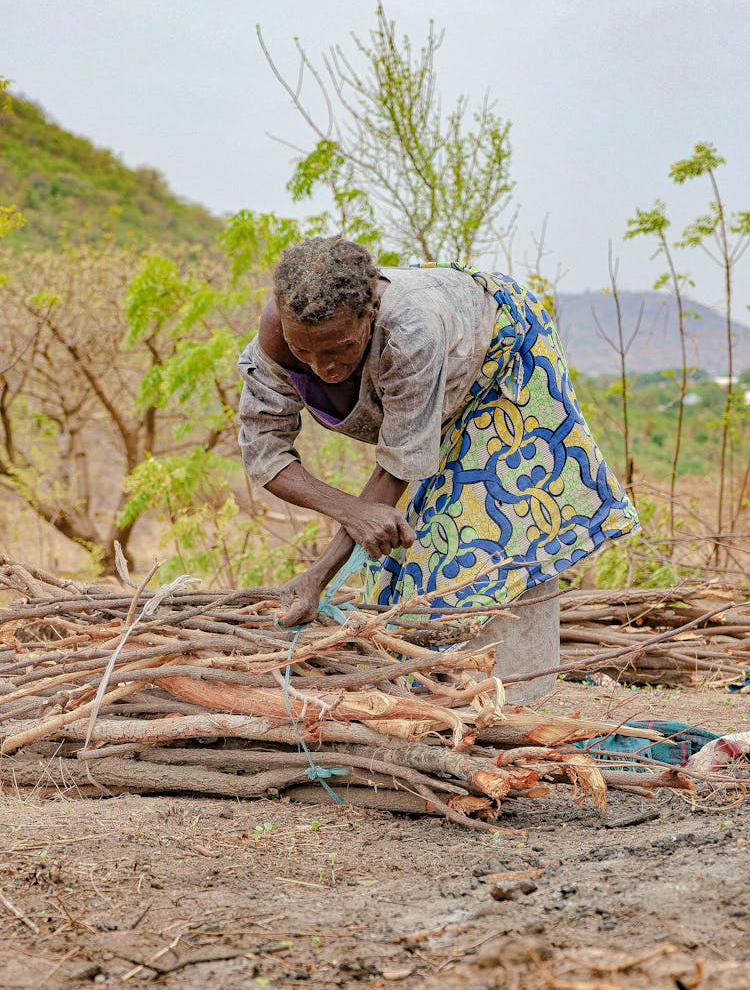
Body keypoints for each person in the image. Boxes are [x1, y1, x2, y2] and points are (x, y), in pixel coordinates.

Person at [237, 236, 640, 702]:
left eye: (340, 349)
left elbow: (399, 464)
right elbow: (265, 453)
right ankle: (427, 685)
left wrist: (320, 572)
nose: (322, 367)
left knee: (498, 522)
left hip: (503, 362)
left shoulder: (410, 331)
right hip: (435, 390)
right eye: (304, 351)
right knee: (400, 544)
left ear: (370, 313)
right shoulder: (279, 339)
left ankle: (514, 693)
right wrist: (351, 512)